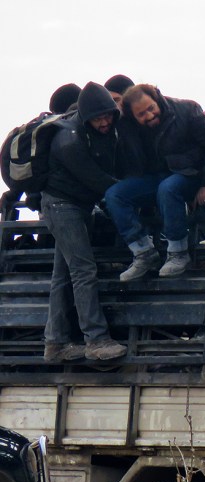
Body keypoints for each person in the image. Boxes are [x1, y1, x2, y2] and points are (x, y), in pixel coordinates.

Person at [41, 82, 129, 362]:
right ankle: (96, 339)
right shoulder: (69, 140)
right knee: (83, 271)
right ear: (85, 115)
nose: (105, 121)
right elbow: (98, 181)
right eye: (99, 117)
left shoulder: (99, 131)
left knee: (64, 275)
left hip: (77, 206)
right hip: (61, 206)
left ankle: (55, 343)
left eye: (108, 115)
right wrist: (130, 193)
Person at [106, 83, 205, 281]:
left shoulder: (187, 110)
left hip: (189, 173)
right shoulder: (125, 125)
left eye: (151, 108)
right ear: (132, 115)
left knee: (168, 188)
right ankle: (143, 253)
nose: (148, 115)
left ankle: (178, 252)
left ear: (157, 99)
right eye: (141, 114)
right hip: (154, 177)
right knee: (115, 194)